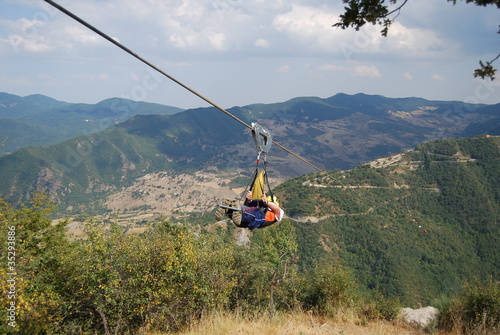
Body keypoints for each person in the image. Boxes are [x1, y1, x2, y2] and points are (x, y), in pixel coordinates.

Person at [216, 191, 284, 229]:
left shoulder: (276, 215)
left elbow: (278, 210)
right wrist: (249, 200)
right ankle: (228, 209)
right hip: (246, 220)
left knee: (253, 215)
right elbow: (247, 206)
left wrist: (266, 202)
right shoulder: (260, 204)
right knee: (239, 208)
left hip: (257, 219)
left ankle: (236, 211)